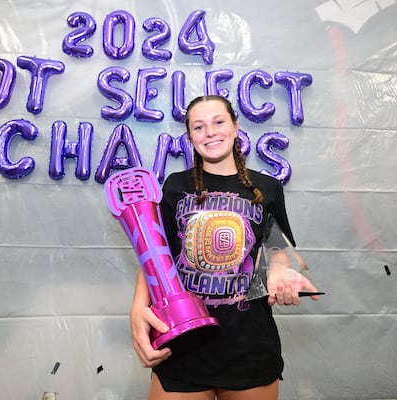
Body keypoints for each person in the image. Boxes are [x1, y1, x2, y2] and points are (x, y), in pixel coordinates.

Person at [130, 95, 319, 400]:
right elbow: (154, 254)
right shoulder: (175, 186)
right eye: (199, 127)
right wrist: (138, 309)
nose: (210, 132)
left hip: (249, 346)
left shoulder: (267, 188)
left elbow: (277, 250)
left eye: (219, 122)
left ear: (235, 127)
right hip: (183, 344)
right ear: (190, 137)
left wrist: (283, 273)